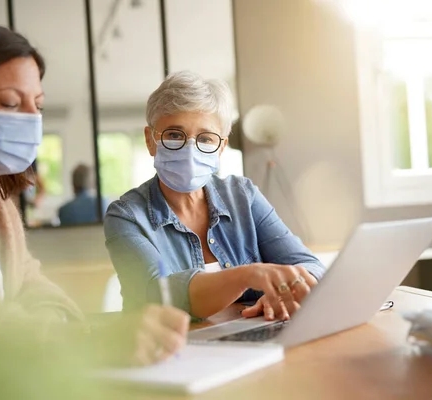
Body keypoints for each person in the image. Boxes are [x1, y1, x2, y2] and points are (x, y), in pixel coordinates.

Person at [0, 25, 189, 398]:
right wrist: (91, 343)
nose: (31, 119)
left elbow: (31, 284)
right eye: (11, 104)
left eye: (39, 105)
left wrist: (58, 334)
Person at [104, 71, 326, 321]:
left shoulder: (244, 196)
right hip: (172, 350)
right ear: (150, 139)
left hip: (253, 340)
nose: (190, 149)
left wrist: (284, 294)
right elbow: (158, 294)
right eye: (175, 135)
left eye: (206, 138)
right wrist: (246, 275)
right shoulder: (126, 216)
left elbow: (310, 266)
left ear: (220, 147)